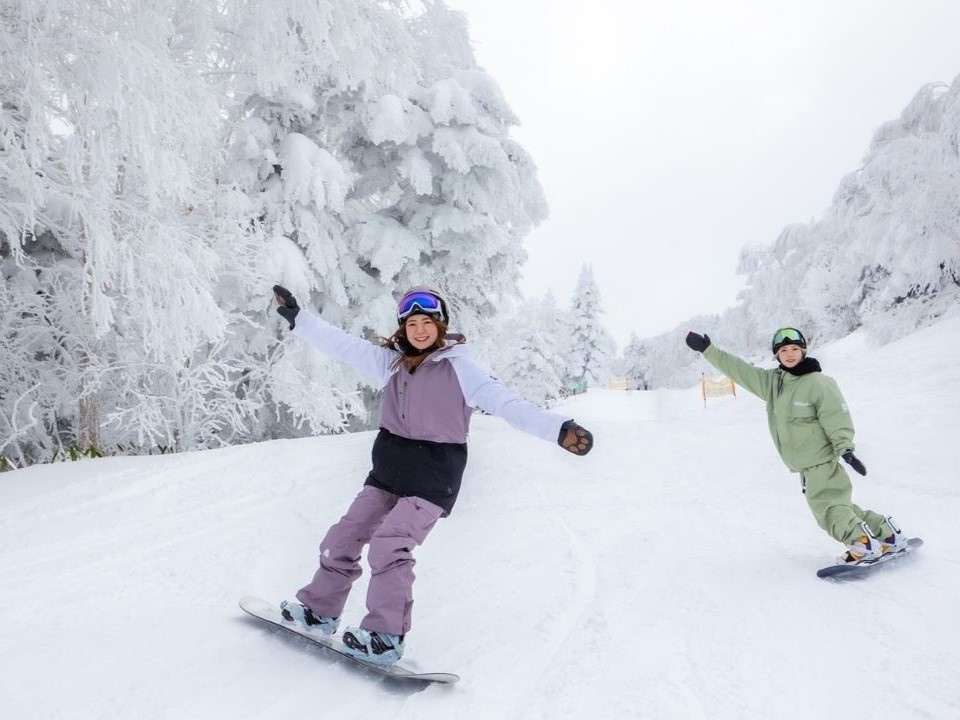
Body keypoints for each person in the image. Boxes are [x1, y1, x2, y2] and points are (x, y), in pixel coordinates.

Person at [271, 284, 594, 665]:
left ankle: (384, 636)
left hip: (433, 476)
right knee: (344, 535)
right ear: (402, 328)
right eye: (412, 323)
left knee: (389, 544)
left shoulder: (462, 369)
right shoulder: (389, 362)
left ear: (441, 326)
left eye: (428, 322)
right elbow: (340, 344)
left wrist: (558, 429)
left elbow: (508, 404)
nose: (420, 330)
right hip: (388, 469)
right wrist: (299, 318)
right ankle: (319, 611)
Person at [684, 326, 908, 565]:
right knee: (841, 506)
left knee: (828, 511)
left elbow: (836, 416)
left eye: (795, 349)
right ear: (776, 355)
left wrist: (846, 450)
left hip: (820, 463)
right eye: (783, 350)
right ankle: (887, 533)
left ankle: (861, 544)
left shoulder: (819, 383)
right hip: (808, 467)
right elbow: (740, 370)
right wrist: (708, 350)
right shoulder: (773, 384)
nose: (790, 354)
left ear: (803, 351)